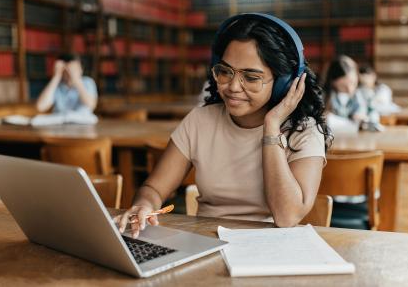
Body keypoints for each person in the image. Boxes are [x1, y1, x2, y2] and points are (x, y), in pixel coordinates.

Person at [115, 13, 332, 238]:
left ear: (283, 83)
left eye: (251, 77)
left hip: (272, 251)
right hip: (206, 243)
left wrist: (272, 126)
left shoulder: (304, 131)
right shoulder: (200, 121)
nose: (233, 87)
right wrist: (144, 205)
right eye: (225, 72)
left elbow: (287, 216)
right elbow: (154, 188)